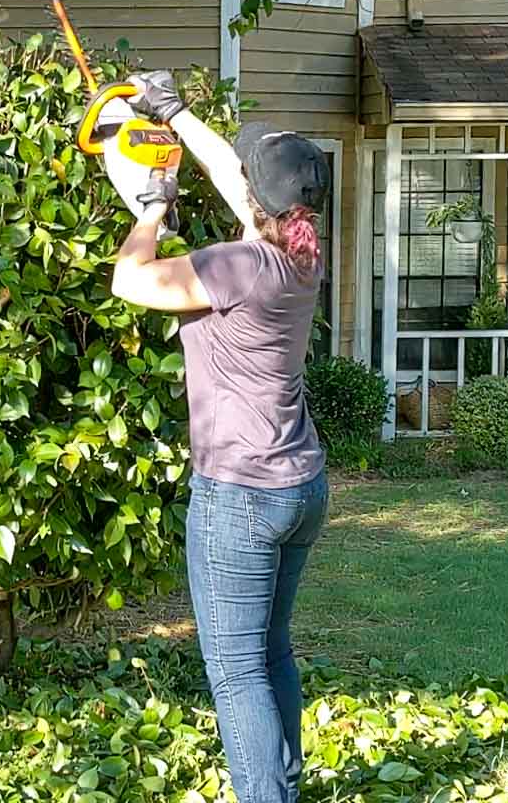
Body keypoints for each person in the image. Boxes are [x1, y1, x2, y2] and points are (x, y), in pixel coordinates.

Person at [110, 70, 330, 803]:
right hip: (300, 485)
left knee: (235, 673)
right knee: (271, 654)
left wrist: (149, 211)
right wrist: (172, 111)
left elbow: (131, 282)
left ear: (258, 205)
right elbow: (234, 177)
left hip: (239, 495)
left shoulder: (237, 266)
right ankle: (284, 791)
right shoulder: (302, 255)